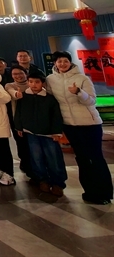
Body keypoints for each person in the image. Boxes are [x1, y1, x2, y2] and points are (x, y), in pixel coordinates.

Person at [47, 51, 112, 205]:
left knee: (95, 158)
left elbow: (92, 101)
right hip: (70, 126)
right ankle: (89, 192)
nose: (62, 64)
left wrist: (79, 92)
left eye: (65, 61)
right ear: (55, 63)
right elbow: (51, 101)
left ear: (70, 62)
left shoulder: (82, 78)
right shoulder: (50, 80)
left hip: (90, 124)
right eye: (59, 61)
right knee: (82, 158)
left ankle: (104, 193)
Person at [14, 72, 67, 197]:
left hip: (49, 134)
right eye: (31, 82)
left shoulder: (49, 98)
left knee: (53, 158)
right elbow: (18, 112)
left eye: (37, 82)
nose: (34, 85)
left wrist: (56, 132)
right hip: (31, 133)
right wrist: (19, 127)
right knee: (36, 158)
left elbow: (56, 116)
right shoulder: (24, 97)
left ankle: (58, 183)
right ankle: (42, 180)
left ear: (42, 83)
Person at [4, 66, 33, 179]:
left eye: (20, 73)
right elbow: (12, 93)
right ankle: (26, 165)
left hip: (34, 120)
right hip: (18, 120)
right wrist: (17, 94)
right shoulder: (9, 85)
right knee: (22, 144)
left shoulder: (32, 83)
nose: (18, 76)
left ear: (26, 73)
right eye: (15, 74)